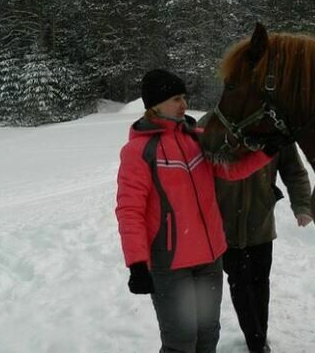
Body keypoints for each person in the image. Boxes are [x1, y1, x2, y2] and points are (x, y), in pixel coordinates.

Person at [116, 69, 272, 353]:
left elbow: (230, 169)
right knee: (180, 343)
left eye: (184, 97)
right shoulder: (138, 151)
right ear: (154, 104)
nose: (184, 105)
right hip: (170, 264)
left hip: (210, 258)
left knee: (208, 336)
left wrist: (266, 152)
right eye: (176, 99)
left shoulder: (197, 138)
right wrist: (137, 263)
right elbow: (130, 210)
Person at [198, 110, 312, 353]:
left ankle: (259, 335)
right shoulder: (210, 125)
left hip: (260, 220)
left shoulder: (274, 128)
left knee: (260, 281)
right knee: (239, 281)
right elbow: (195, 173)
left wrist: (302, 204)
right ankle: (256, 341)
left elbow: (294, 170)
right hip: (222, 223)